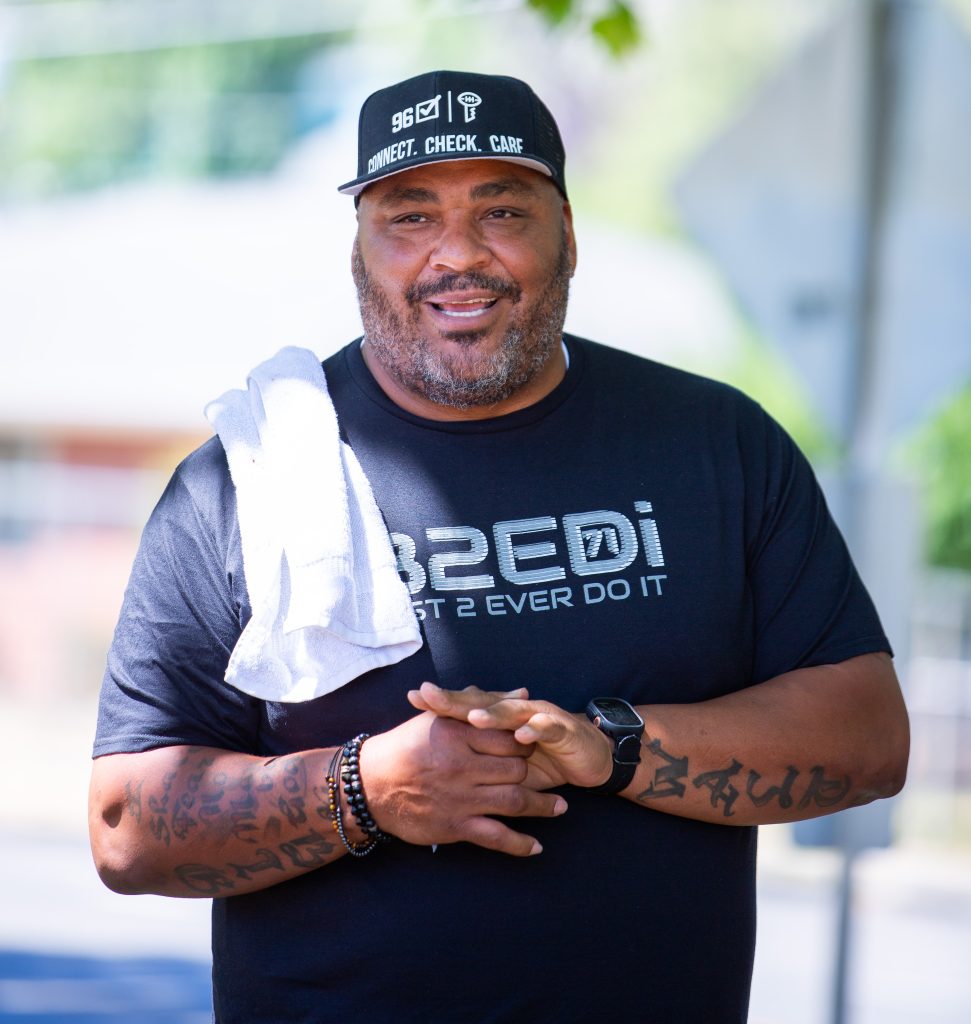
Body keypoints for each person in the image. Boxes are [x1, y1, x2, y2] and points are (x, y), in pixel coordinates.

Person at [89, 70, 909, 1023]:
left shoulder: (713, 442)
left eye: (502, 210)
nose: (457, 256)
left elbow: (867, 738)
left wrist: (615, 748)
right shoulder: (249, 478)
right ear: (360, 245)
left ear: (567, 233)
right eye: (408, 215)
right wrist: (367, 789)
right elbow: (124, 832)